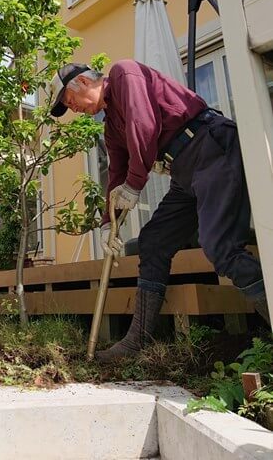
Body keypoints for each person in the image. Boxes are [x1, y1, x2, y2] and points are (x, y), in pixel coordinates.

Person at [49, 59, 271, 362]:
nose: (72, 109)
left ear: (84, 83)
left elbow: (145, 124)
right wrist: (106, 223)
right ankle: (136, 340)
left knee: (219, 245)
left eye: (69, 101)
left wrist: (135, 183)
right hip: (183, 171)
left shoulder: (124, 73)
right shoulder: (111, 126)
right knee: (153, 241)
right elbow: (116, 172)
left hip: (210, 146)